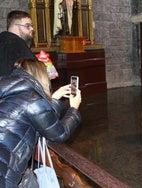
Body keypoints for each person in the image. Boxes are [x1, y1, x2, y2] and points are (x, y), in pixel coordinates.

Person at [0, 58, 82, 186]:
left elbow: (42, 121)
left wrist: (54, 98)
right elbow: (59, 133)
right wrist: (74, 109)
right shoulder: (32, 99)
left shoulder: (10, 91)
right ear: (41, 76)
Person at [0, 10, 36, 76]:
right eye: (27, 26)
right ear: (15, 26)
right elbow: (34, 72)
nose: (32, 29)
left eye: (31, 26)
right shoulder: (18, 45)